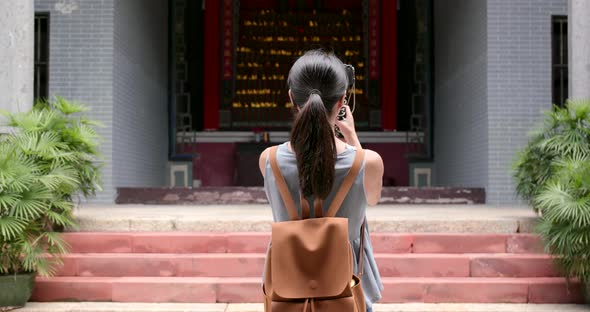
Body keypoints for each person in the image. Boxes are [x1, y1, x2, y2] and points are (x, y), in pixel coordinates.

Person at [258, 49, 384, 312]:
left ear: (292, 97)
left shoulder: (268, 159)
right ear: (342, 101)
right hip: (348, 292)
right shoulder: (368, 162)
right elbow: (371, 198)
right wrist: (352, 138)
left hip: (287, 296)